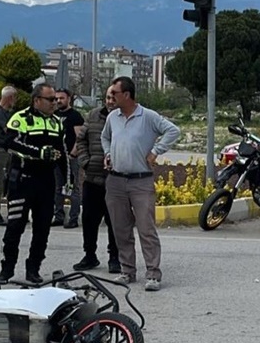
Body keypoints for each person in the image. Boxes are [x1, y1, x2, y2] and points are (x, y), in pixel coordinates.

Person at [101, 76, 180, 292]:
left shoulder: (147, 116)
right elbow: (105, 137)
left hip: (141, 180)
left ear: (126, 95)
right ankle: (127, 270)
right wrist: (108, 153)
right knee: (120, 227)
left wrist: (156, 152)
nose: (110, 98)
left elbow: (173, 131)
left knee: (146, 228)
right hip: (116, 179)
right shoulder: (112, 118)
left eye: (114, 94)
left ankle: (153, 273)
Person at [0, 83, 65, 284]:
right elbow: (11, 143)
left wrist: (68, 181)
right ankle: (7, 268)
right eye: (50, 99)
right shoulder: (20, 118)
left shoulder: (56, 122)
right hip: (22, 181)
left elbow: (62, 155)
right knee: (14, 227)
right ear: (37, 100)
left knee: (42, 229)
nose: (55, 103)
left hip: (46, 183)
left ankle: (33, 269)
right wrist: (39, 152)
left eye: (56, 99)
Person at [72, 86, 120, 273]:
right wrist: (85, 160)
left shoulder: (126, 119)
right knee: (90, 221)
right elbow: (81, 139)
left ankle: (114, 258)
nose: (110, 101)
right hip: (92, 178)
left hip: (116, 180)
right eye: (108, 97)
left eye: (114, 98)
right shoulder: (93, 116)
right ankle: (89, 255)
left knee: (114, 221)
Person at [52, 88, 84, 229]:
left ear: (69, 99)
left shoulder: (75, 116)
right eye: (56, 98)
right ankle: (58, 216)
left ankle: (73, 218)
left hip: (71, 158)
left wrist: (73, 153)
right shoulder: (54, 115)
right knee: (57, 187)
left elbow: (80, 137)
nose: (59, 101)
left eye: (62, 98)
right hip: (57, 158)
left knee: (73, 188)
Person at [0, 86, 17, 226]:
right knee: (0, 183)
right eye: (14, 98)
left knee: (10, 183)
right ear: (9, 98)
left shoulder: (8, 113)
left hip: (8, 151)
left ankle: (12, 212)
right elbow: (9, 130)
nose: (15, 101)